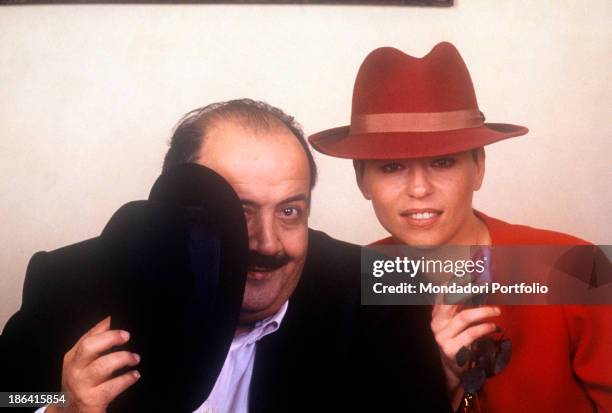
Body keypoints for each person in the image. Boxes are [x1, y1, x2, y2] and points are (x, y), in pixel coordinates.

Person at [1, 99, 451, 412]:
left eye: (290, 211)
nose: (268, 243)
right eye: (240, 212)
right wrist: (61, 408)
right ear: (177, 210)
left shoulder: (380, 292)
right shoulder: (68, 281)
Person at [308, 43, 612, 412]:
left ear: (479, 167)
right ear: (362, 180)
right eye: (391, 167)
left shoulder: (580, 268)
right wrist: (442, 380)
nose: (419, 189)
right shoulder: (346, 288)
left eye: (442, 162)